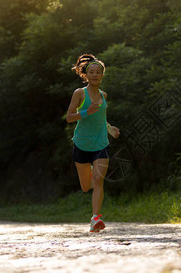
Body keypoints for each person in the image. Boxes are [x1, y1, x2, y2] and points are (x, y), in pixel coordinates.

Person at [66, 54, 120, 232]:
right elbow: (69, 118)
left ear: (102, 75)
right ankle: (88, 172)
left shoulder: (104, 95)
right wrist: (86, 112)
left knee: (98, 179)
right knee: (85, 186)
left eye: (98, 72)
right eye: (91, 72)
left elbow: (101, 118)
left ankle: (95, 218)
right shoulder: (79, 93)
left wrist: (110, 128)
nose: (95, 75)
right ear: (86, 75)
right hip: (81, 144)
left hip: (101, 144)